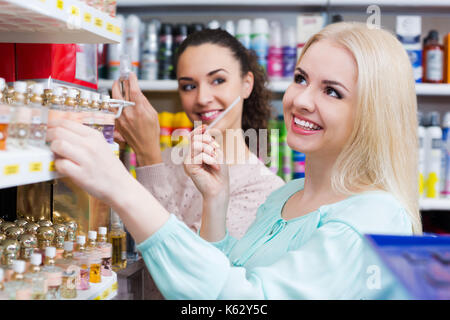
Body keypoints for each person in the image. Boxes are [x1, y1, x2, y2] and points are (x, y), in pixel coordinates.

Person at [47, 22, 422, 299]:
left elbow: (241, 301)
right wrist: (216, 202)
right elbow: (223, 274)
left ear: (374, 112)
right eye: (300, 78)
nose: (302, 100)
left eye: (332, 91)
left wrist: (123, 186)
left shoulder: (371, 219)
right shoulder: (286, 197)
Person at [111, 29, 284, 239]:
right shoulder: (165, 160)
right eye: (189, 86)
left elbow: (183, 266)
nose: (202, 98)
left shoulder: (264, 189)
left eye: (218, 80)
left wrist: (147, 155)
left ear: (246, 85)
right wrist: (117, 151)